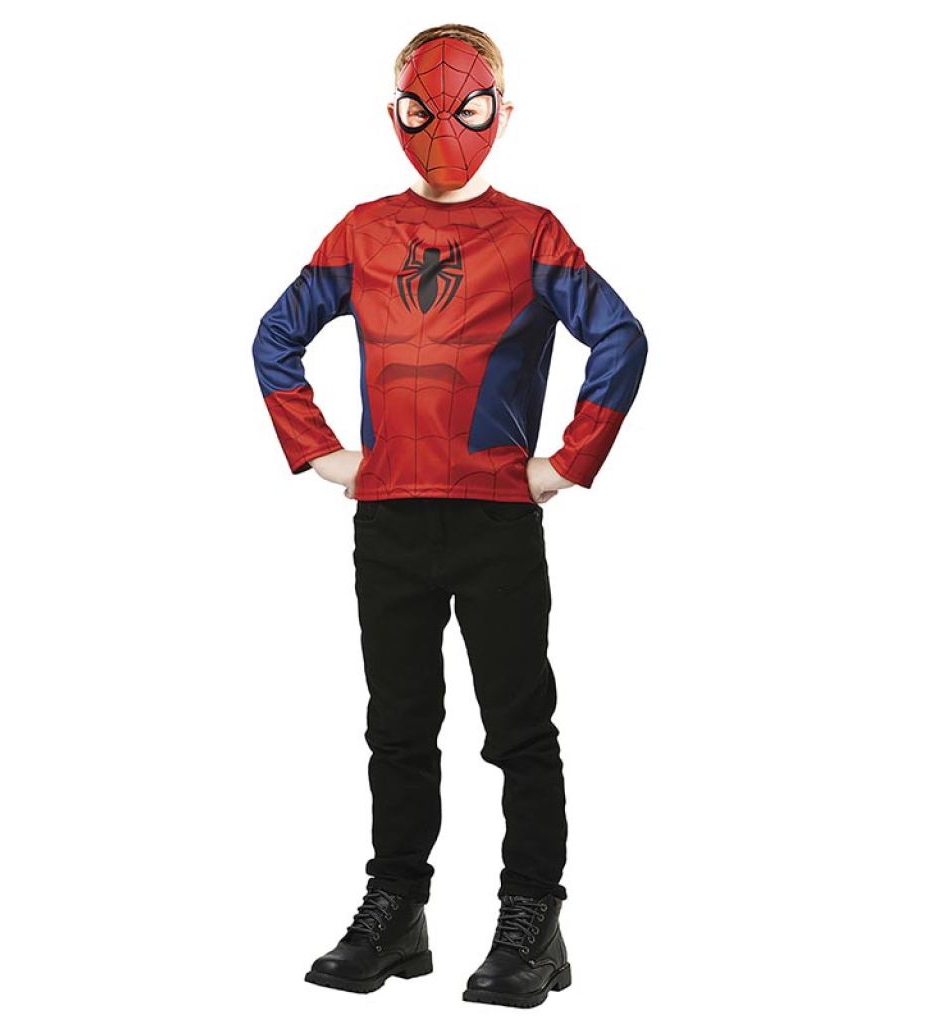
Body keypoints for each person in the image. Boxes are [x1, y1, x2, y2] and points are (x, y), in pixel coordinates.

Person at [251, 23, 648, 1009]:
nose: (444, 130)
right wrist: (323, 452)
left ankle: (532, 918)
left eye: (468, 109)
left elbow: (620, 337)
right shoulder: (362, 231)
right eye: (421, 109)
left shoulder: (533, 233)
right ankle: (397, 909)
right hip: (388, 516)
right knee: (397, 726)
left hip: (494, 517)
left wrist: (566, 463)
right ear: (394, 114)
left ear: (501, 113)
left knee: (518, 726)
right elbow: (275, 337)